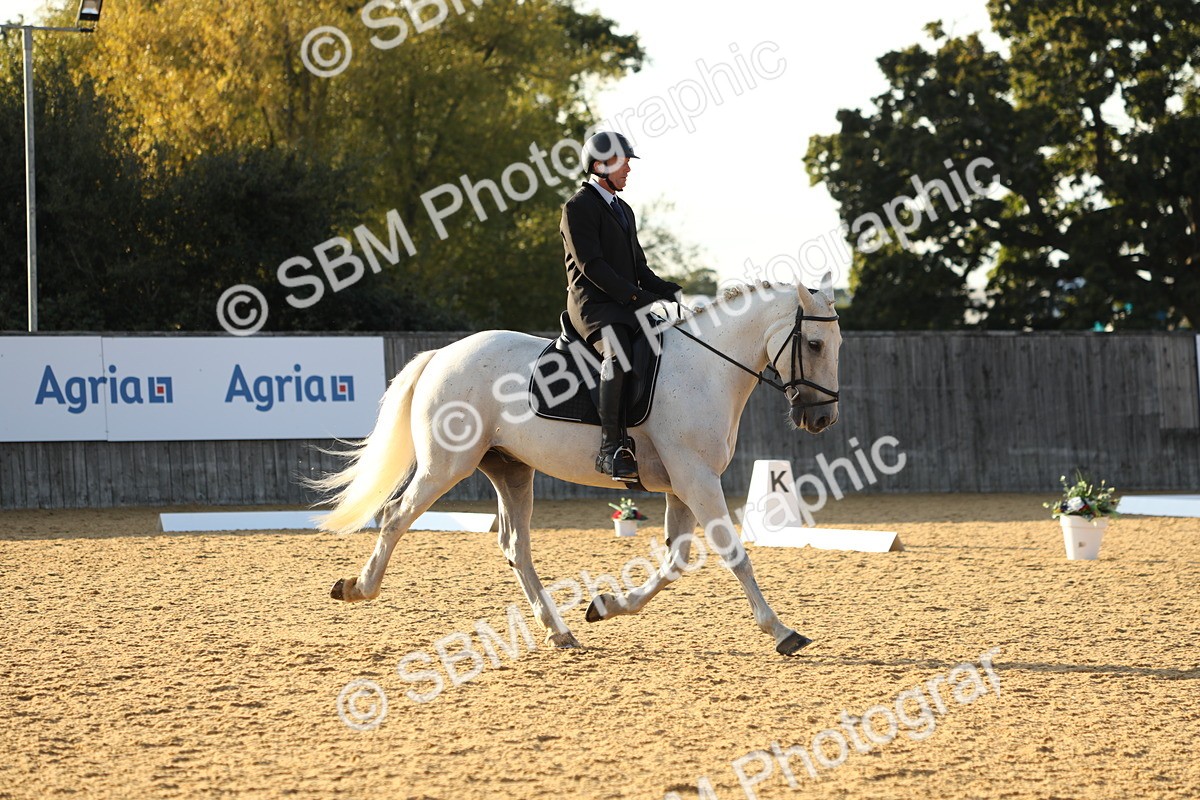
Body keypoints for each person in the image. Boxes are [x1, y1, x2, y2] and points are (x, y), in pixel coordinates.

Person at [559, 131, 683, 482]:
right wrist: (637, 298)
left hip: (625, 305)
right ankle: (610, 449)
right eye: (622, 162)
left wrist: (665, 290)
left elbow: (638, 267)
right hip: (594, 307)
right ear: (599, 166)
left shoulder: (623, 209)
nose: (628, 168)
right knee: (620, 357)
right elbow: (592, 266)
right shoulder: (577, 207)